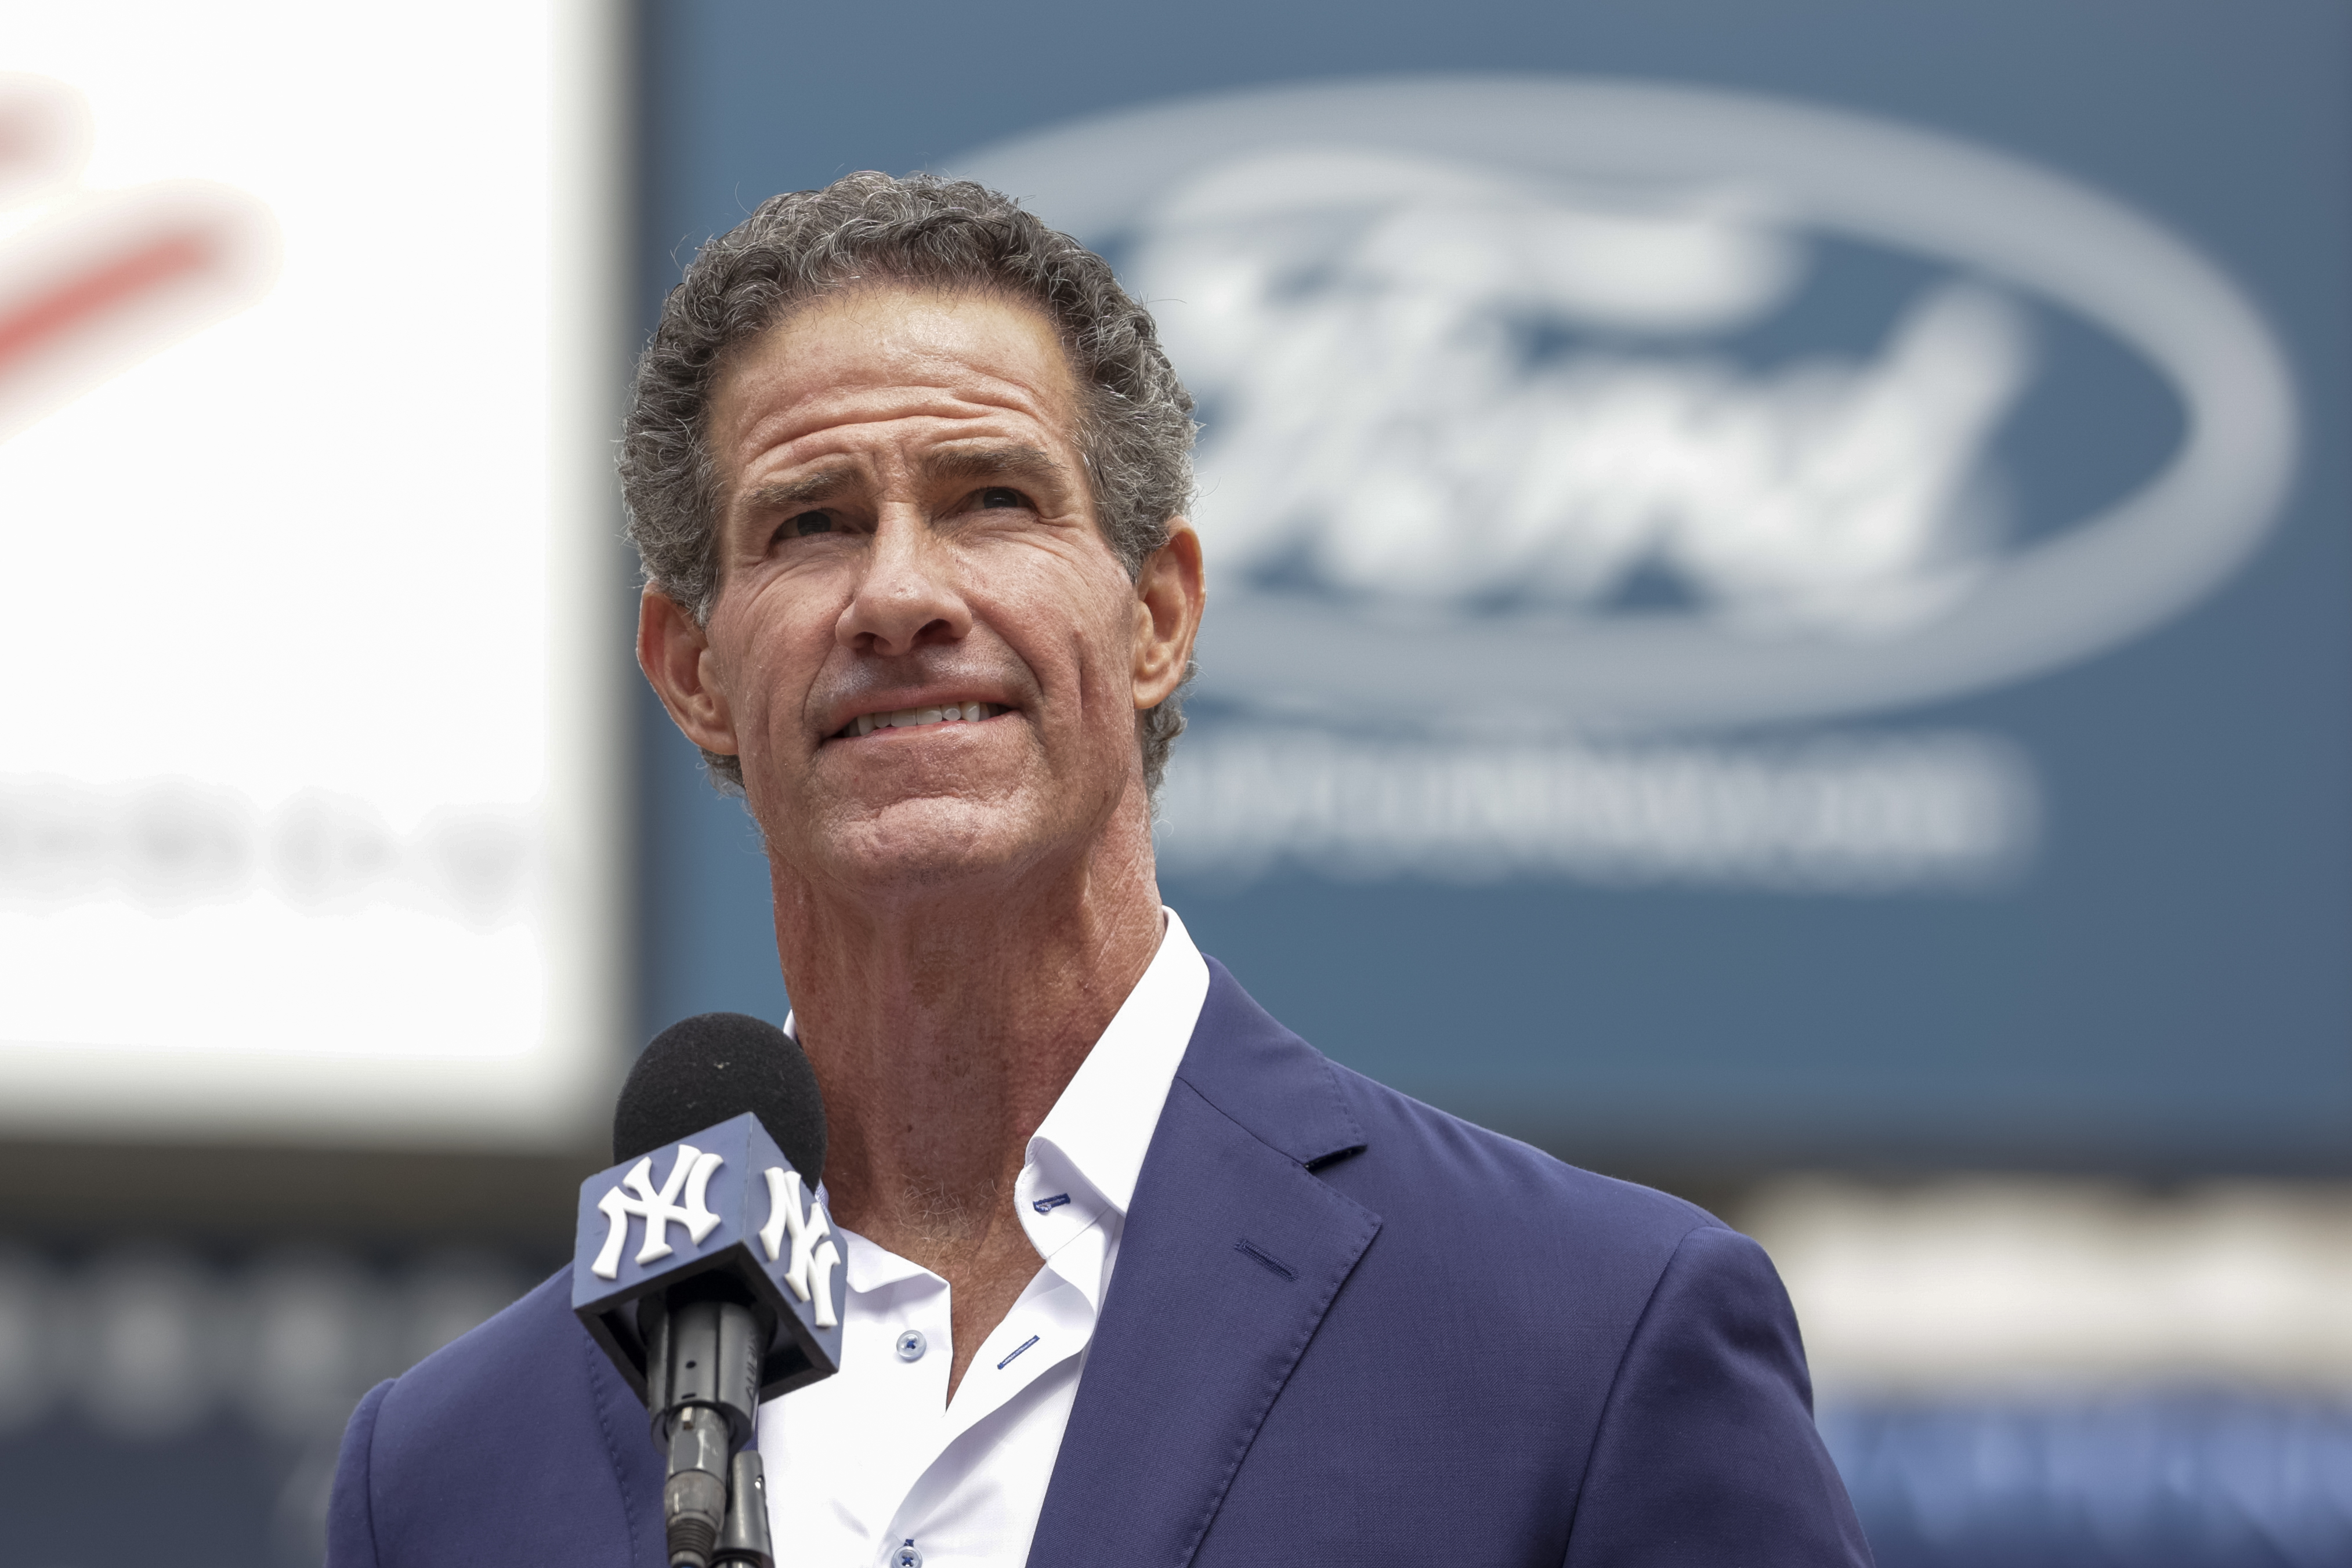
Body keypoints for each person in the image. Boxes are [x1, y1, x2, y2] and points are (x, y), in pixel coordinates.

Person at [327, 172, 1872, 1568]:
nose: (901, 595)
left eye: (991, 500)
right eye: (810, 524)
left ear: (1157, 617)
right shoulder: (450, 1471)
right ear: (691, 671)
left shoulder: (1588, 1335)